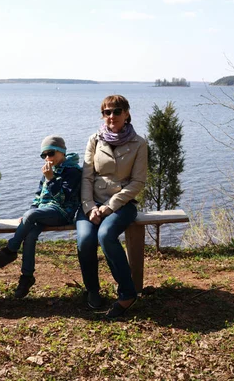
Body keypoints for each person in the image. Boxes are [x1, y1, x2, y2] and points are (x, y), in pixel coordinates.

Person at [76, 95, 148, 319]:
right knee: (86, 239)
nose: (112, 116)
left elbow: (138, 183)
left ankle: (127, 294)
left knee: (106, 235)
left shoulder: (139, 143)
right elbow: (86, 177)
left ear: (126, 113)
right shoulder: (95, 140)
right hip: (92, 203)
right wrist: (89, 207)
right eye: (107, 112)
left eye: (117, 111)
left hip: (122, 203)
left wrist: (108, 207)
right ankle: (93, 291)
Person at [0, 135, 82, 298]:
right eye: (43, 155)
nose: (47, 158)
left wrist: (51, 178)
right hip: (44, 212)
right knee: (30, 236)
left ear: (62, 152)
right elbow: (39, 195)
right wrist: (29, 215)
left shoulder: (73, 171)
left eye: (50, 153)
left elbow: (64, 198)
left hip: (62, 213)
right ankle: (26, 277)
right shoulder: (48, 170)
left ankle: (10, 249)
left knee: (31, 215)